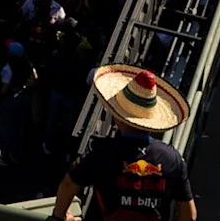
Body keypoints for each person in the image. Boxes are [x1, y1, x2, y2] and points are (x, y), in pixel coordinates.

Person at [55, 66, 197, 221]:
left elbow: (68, 185)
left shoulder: (100, 153)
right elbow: (189, 215)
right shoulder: (173, 159)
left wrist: (60, 216)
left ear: (118, 117)